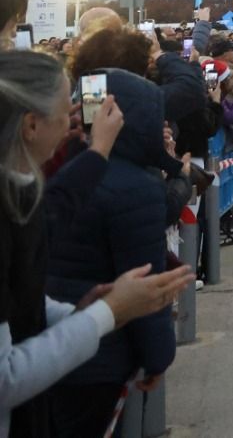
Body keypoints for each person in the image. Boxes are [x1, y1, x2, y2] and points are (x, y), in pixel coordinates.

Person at [1, 51, 194, 438]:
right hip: (78, 372)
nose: (74, 121)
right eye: (65, 109)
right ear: (31, 126)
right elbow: (7, 376)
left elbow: (19, 290)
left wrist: (76, 313)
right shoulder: (15, 206)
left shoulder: (22, 193)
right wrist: (107, 312)